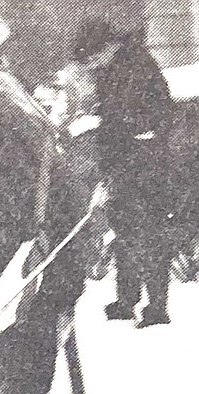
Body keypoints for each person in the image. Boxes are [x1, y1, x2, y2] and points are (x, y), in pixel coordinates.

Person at [73, 20, 174, 327]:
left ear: (105, 48)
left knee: (149, 233)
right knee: (123, 232)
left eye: (91, 59)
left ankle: (157, 306)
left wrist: (130, 129)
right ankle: (126, 299)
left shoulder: (137, 63)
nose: (91, 66)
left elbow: (159, 112)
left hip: (145, 164)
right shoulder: (112, 68)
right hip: (120, 161)